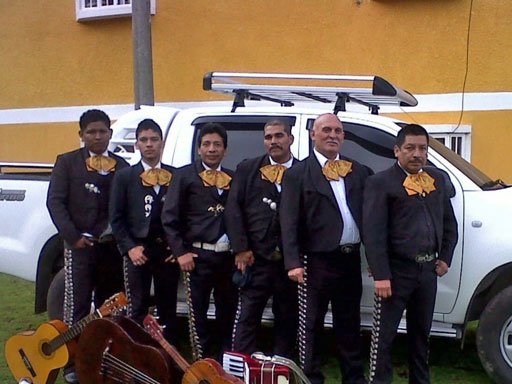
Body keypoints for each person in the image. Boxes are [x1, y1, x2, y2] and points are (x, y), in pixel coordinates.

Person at [363, 124, 458, 384]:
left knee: (421, 335)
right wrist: (381, 274)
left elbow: (449, 223)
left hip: (427, 273)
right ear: (397, 151)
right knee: (384, 337)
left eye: (422, 148)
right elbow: (373, 233)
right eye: (410, 148)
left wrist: (445, 257)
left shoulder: (436, 180)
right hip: (395, 273)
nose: (417, 154)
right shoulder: (380, 183)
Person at [280, 113, 371, 384]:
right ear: (313, 135)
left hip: (349, 259)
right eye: (326, 130)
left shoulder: (358, 171)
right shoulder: (297, 174)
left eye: (338, 131)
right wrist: (293, 262)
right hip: (315, 262)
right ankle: (310, 377)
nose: (333, 135)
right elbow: (288, 222)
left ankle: (353, 377)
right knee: (311, 325)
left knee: (349, 323)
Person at [46, 109, 129, 383]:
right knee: (77, 306)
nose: (97, 136)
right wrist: (73, 237)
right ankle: (73, 364)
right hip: (80, 247)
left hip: (111, 250)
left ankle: (107, 361)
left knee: (111, 307)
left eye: (102, 131)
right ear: (81, 135)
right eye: (91, 132)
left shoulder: (122, 166)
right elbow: (55, 203)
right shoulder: (67, 162)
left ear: (110, 134)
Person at [162, 122, 237, 361]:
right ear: (199, 148)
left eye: (217, 144)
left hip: (227, 257)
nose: (211, 149)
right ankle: (200, 361)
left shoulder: (233, 178)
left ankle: (226, 362)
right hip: (197, 257)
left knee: (229, 312)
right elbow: (170, 217)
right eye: (206, 144)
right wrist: (180, 252)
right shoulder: (184, 176)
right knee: (198, 314)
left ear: (225, 149)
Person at [226, 119, 298, 358]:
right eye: (268, 137)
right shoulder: (247, 169)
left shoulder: (303, 170)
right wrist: (240, 248)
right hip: (255, 259)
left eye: (279, 136)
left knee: (287, 316)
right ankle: (239, 367)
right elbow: (233, 210)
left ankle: (281, 367)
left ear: (291, 139)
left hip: (290, 263)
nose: (274, 141)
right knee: (247, 316)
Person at [109, 119, 180, 345]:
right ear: (137, 145)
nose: (149, 144)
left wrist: (178, 248)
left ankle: (166, 357)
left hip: (167, 252)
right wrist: (129, 248)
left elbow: (184, 217)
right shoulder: (124, 177)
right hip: (137, 250)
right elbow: (116, 217)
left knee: (167, 306)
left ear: (162, 143)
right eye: (144, 140)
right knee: (137, 306)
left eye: (154, 139)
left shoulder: (176, 175)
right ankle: (136, 355)